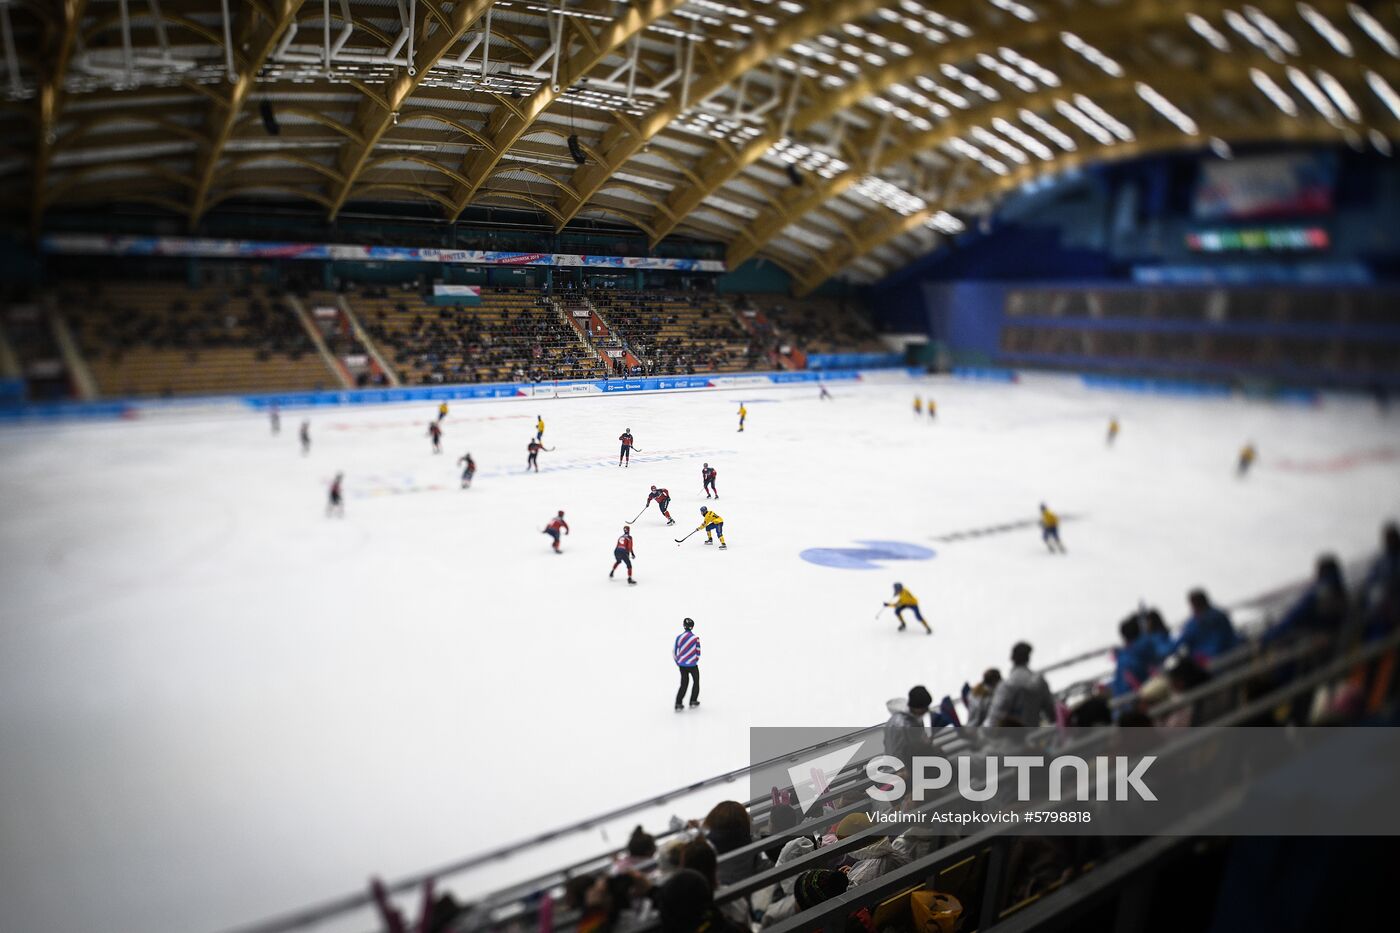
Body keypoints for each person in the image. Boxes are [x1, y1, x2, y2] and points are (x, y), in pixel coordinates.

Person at [987, 642, 1056, 726]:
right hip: (1036, 735)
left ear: (1011, 658)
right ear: (1028, 658)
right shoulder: (1040, 681)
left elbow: (995, 718)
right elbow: (1052, 714)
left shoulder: (1006, 685)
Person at [1172, 589, 1240, 660]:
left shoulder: (1194, 623)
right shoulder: (1220, 614)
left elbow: (1180, 642)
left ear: (1194, 605)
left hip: (1209, 660)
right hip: (1231, 653)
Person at [884, 685, 936, 764]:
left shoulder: (915, 717)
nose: (926, 710)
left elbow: (919, 740)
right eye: (924, 707)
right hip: (902, 767)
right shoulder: (898, 724)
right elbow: (894, 750)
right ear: (917, 707)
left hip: (914, 759)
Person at [1111, 617, 1157, 697]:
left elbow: (1125, 685)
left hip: (1137, 700)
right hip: (1152, 690)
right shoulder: (1150, 644)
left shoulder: (1125, 659)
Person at [674, 617, 700, 710]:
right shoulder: (695, 638)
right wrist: (695, 660)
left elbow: (675, 651)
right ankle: (693, 700)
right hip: (693, 665)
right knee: (696, 682)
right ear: (692, 627)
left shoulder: (679, 637)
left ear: (684, 626)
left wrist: (678, 662)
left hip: (682, 665)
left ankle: (678, 703)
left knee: (684, 683)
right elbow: (698, 652)